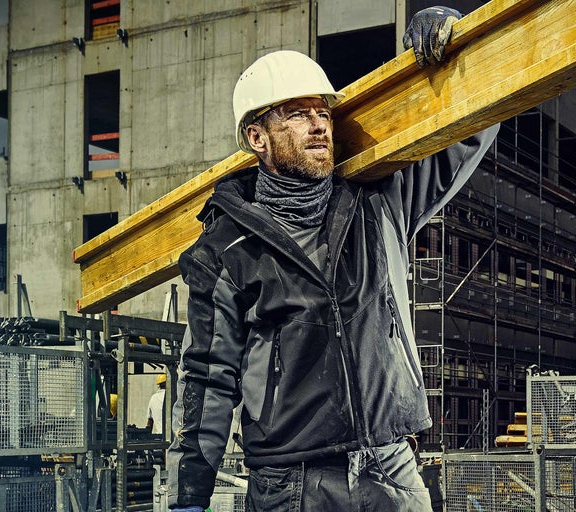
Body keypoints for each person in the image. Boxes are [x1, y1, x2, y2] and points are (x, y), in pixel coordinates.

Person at [168, 6, 498, 511]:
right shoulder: (226, 251)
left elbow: (471, 128)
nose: (319, 124)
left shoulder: (378, 207)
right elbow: (208, 379)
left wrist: (458, 47)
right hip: (291, 485)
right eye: (298, 114)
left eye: (323, 112)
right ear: (257, 137)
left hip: (389, 468)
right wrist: (188, 497)